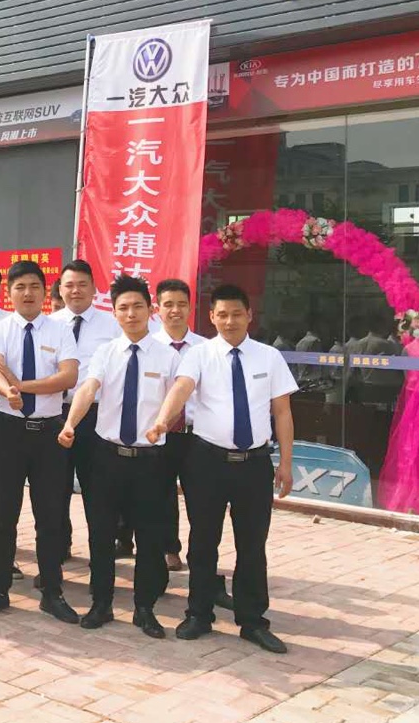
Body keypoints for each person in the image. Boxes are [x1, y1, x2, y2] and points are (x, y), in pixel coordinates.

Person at [149, 284, 297, 654]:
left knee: (252, 544)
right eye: (222, 314)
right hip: (207, 462)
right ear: (212, 317)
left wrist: (286, 463)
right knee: (203, 541)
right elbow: (181, 389)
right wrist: (163, 421)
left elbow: (282, 412)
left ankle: (253, 621)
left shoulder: (269, 357)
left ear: (249, 316)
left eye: (237, 314)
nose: (230, 321)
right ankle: (199, 614)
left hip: (254, 464)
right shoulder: (199, 355)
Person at [59, 275, 181, 639]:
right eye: (123, 308)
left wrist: (163, 422)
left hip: (151, 460)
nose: (130, 314)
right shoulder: (106, 352)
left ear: (150, 310)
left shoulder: (168, 355)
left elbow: (177, 397)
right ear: (114, 313)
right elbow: (88, 389)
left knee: (149, 536)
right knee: (101, 534)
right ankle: (101, 603)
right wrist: (70, 423)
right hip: (107, 457)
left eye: (137, 307)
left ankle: (144, 608)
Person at [0, 260, 80, 622]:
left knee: (49, 516)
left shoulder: (60, 330)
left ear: (45, 292)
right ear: (9, 293)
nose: (28, 293)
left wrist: (22, 386)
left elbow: (68, 376)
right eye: (20, 287)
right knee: (3, 516)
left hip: (49, 432)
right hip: (8, 430)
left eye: (35, 286)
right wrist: (7, 391)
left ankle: (52, 591)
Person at [52, 259, 121, 565]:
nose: (75, 290)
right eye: (69, 285)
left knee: (99, 491)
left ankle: (101, 557)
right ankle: (58, 549)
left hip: (96, 416)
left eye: (82, 284)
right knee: (55, 489)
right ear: (60, 290)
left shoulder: (113, 325)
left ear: (94, 288)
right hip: (55, 413)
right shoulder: (49, 325)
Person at [149, 278, 207, 572]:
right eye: (168, 304)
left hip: (197, 435)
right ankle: (168, 549)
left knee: (201, 499)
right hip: (159, 434)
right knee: (160, 495)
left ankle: (202, 557)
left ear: (190, 307)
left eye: (181, 304)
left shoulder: (206, 348)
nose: (175, 310)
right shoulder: (147, 346)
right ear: (156, 308)